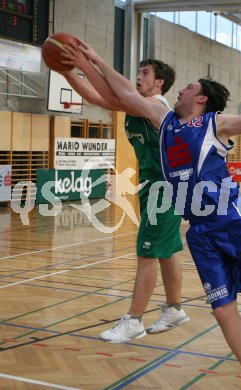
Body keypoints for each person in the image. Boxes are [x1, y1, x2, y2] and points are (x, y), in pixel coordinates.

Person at [61, 40, 241, 390]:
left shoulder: (215, 124)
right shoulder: (164, 119)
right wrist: (92, 58)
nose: (183, 88)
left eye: (189, 87)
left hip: (231, 216)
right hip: (200, 230)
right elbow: (122, 93)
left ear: (200, 99)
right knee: (222, 308)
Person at [61, 52, 189, 343]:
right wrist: (67, 71)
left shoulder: (156, 105)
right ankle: (175, 308)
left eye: (145, 73)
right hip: (154, 186)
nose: (139, 76)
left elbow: (115, 91)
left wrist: (90, 60)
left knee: (146, 253)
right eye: (139, 71)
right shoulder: (137, 106)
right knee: (166, 252)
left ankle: (134, 321)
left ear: (160, 82)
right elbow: (100, 97)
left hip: (165, 187)